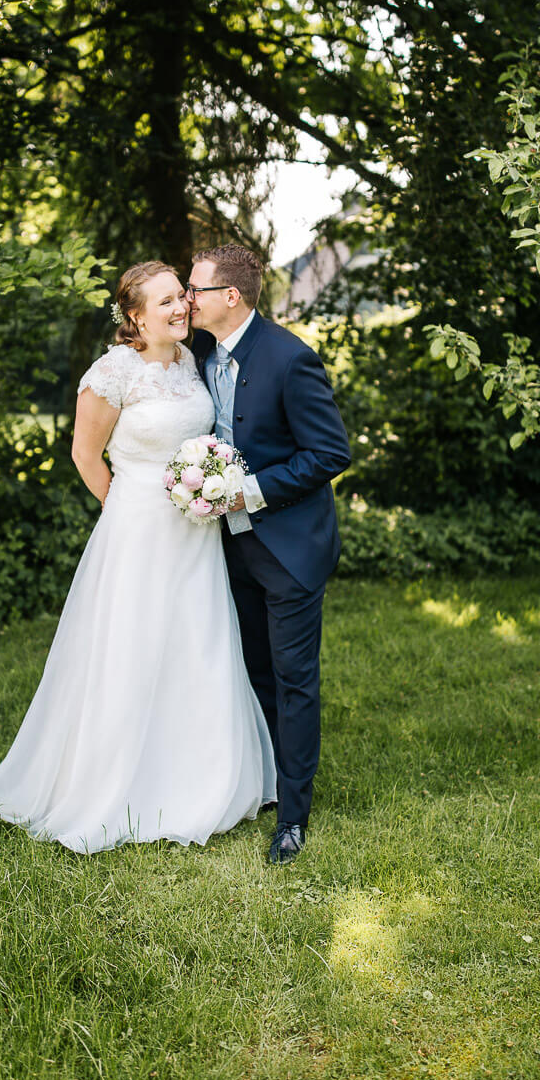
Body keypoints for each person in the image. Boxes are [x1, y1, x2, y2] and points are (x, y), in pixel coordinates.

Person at [0, 261, 275, 854]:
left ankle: (201, 776)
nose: (181, 308)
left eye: (182, 296)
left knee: (195, 644)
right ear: (134, 316)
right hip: (138, 532)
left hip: (194, 534)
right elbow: (85, 455)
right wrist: (126, 507)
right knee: (132, 649)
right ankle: (113, 784)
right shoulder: (113, 371)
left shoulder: (190, 361)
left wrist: (200, 489)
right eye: (165, 303)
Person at [188, 245, 351, 864]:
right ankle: (259, 781)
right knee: (250, 670)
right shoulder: (200, 354)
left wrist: (247, 492)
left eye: (196, 289)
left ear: (231, 296)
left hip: (287, 547)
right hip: (224, 547)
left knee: (293, 679)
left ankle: (294, 815)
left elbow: (330, 454)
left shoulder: (290, 359)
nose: (187, 299)